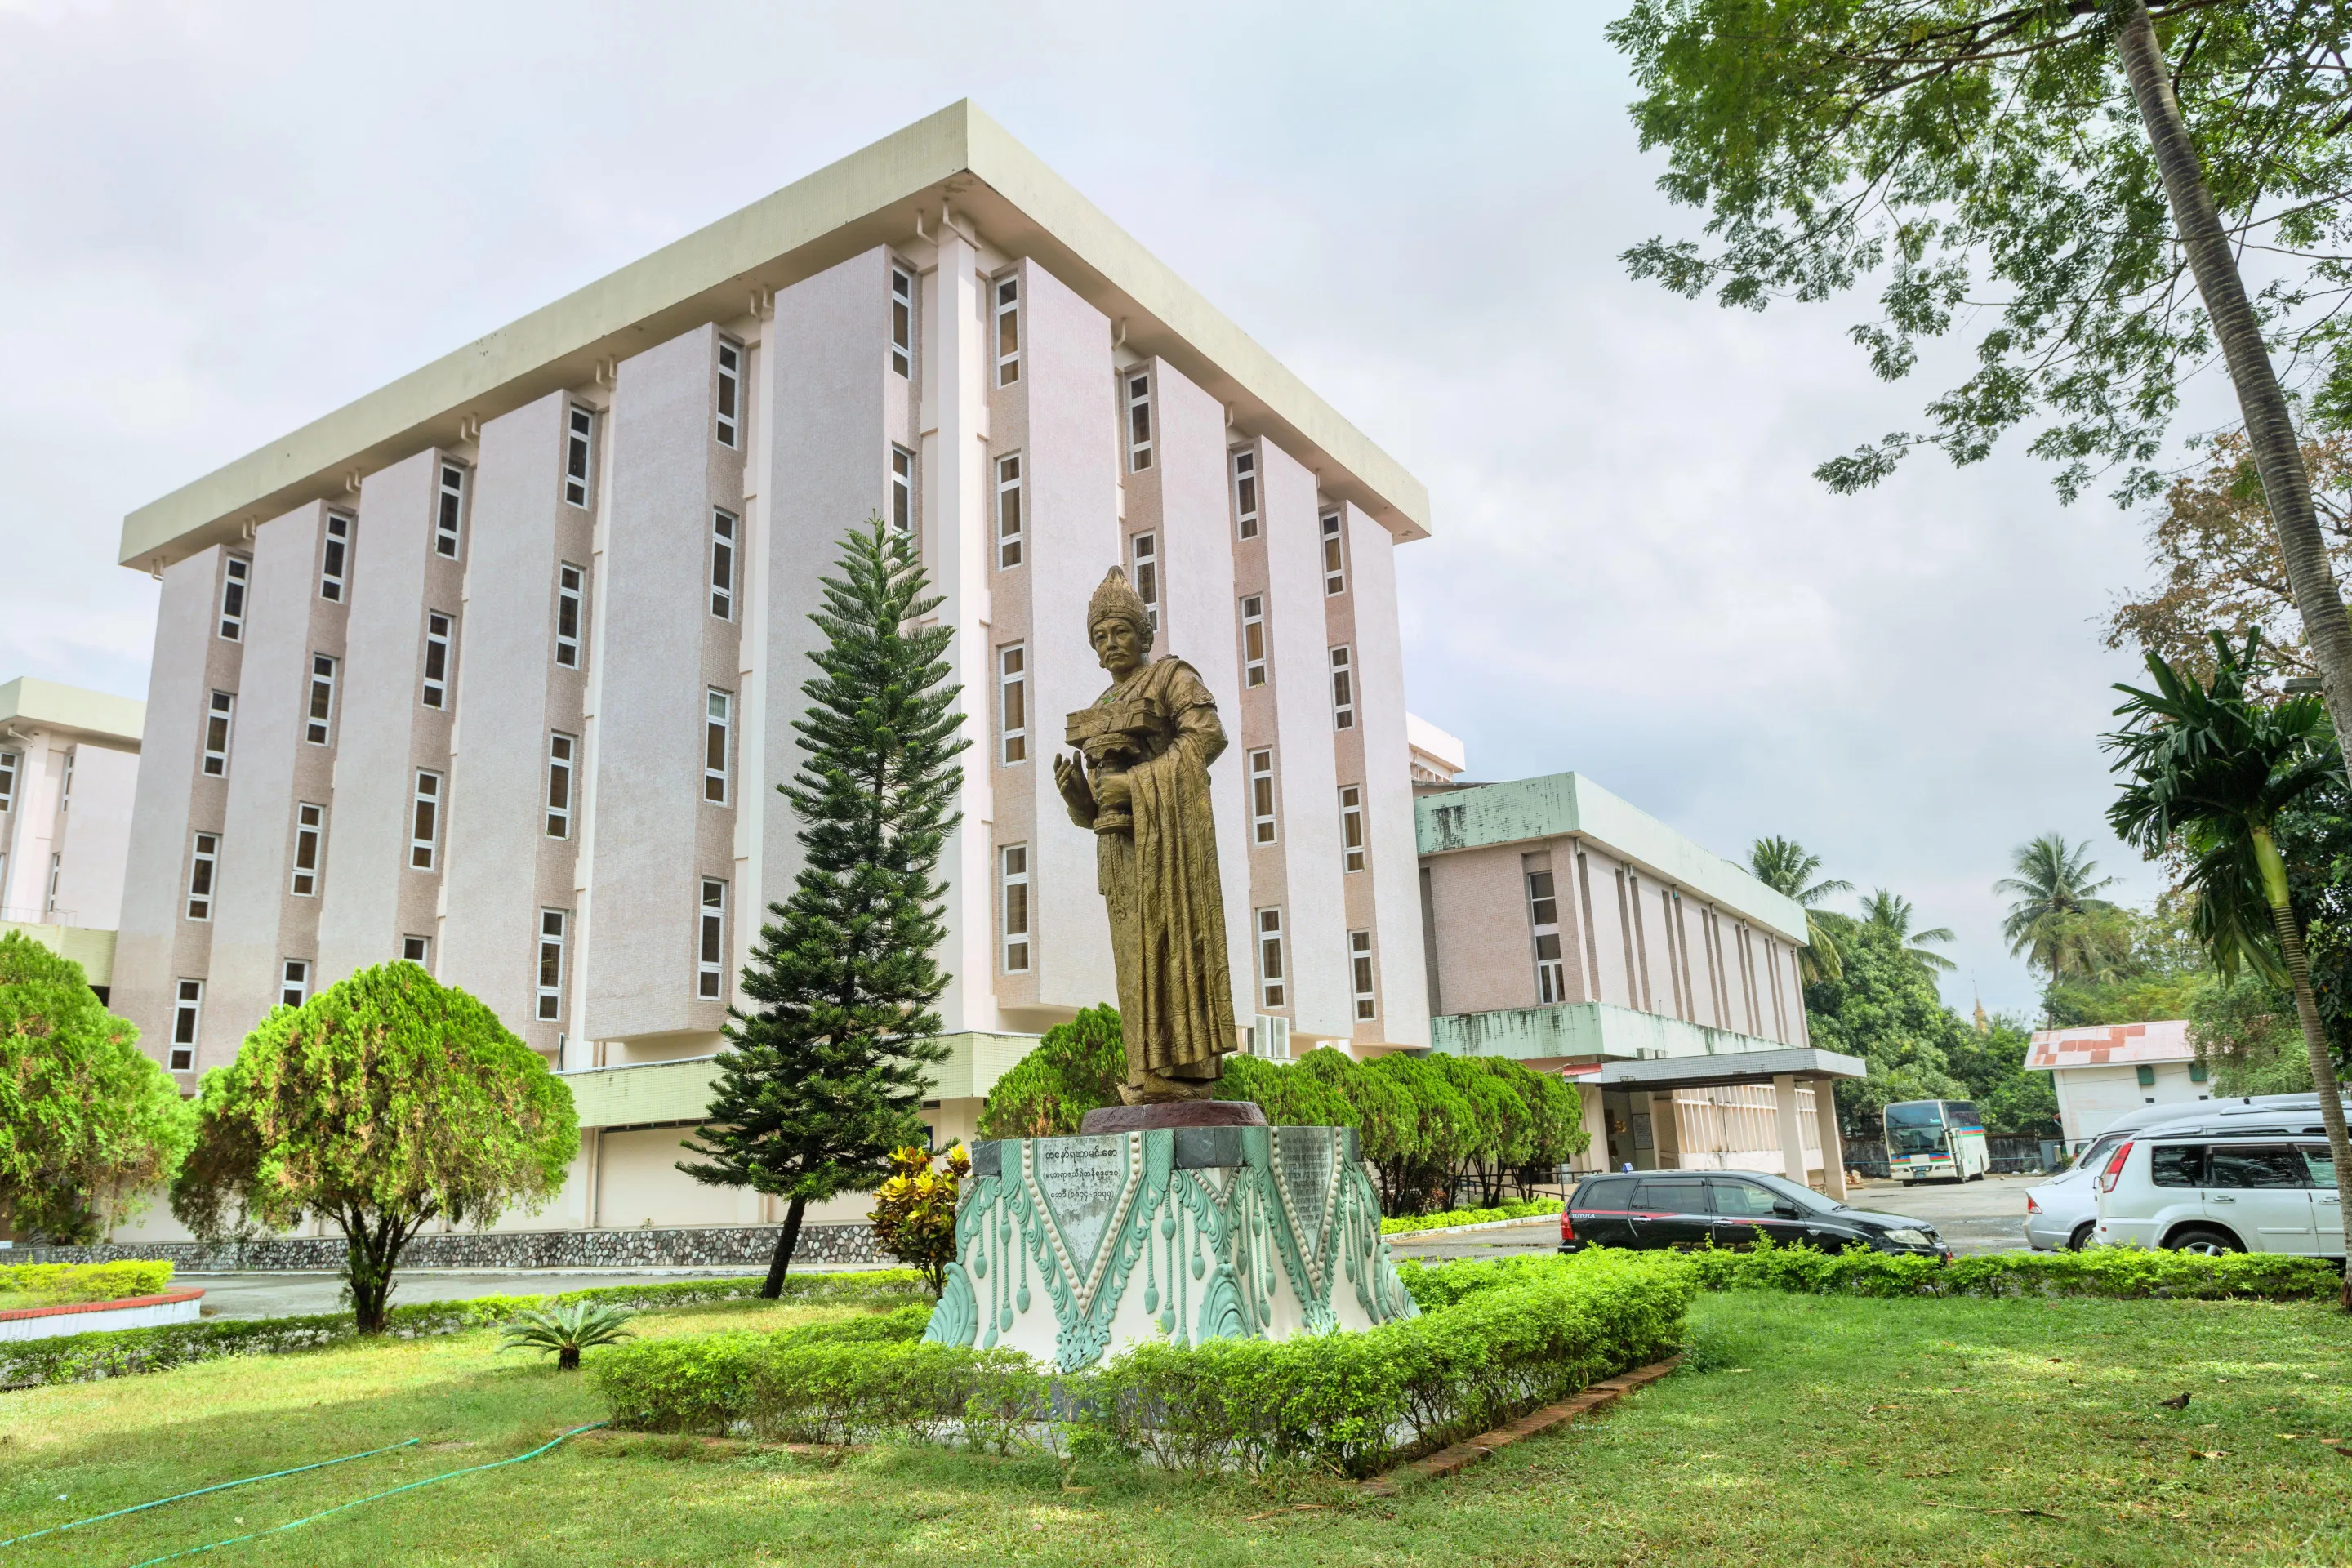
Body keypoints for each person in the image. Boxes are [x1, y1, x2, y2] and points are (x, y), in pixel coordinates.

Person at [1054, 568, 1237, 1102]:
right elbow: (1099, 803)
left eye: (1120, 632)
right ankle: (1144, 1072)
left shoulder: (1172, 678)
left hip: (1168, 850)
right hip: (1121, 852)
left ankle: (1173, 1074)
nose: (1111, 644)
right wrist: (1080, 799)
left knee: (1169, 950)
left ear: (1144, 634)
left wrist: (1136, 784)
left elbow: (1208, 735)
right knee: (1132, 962)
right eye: (1100, 636)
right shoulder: (1103, 705)